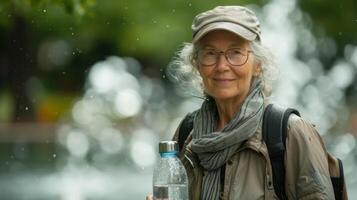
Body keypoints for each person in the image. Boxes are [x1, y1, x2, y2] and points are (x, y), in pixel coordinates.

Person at [148, 5, 342, 200]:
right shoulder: (187, 134)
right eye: (210, 53)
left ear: (258, 65)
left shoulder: (290, 133)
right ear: (197, 65)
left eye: (235, 53)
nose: (222, 66)